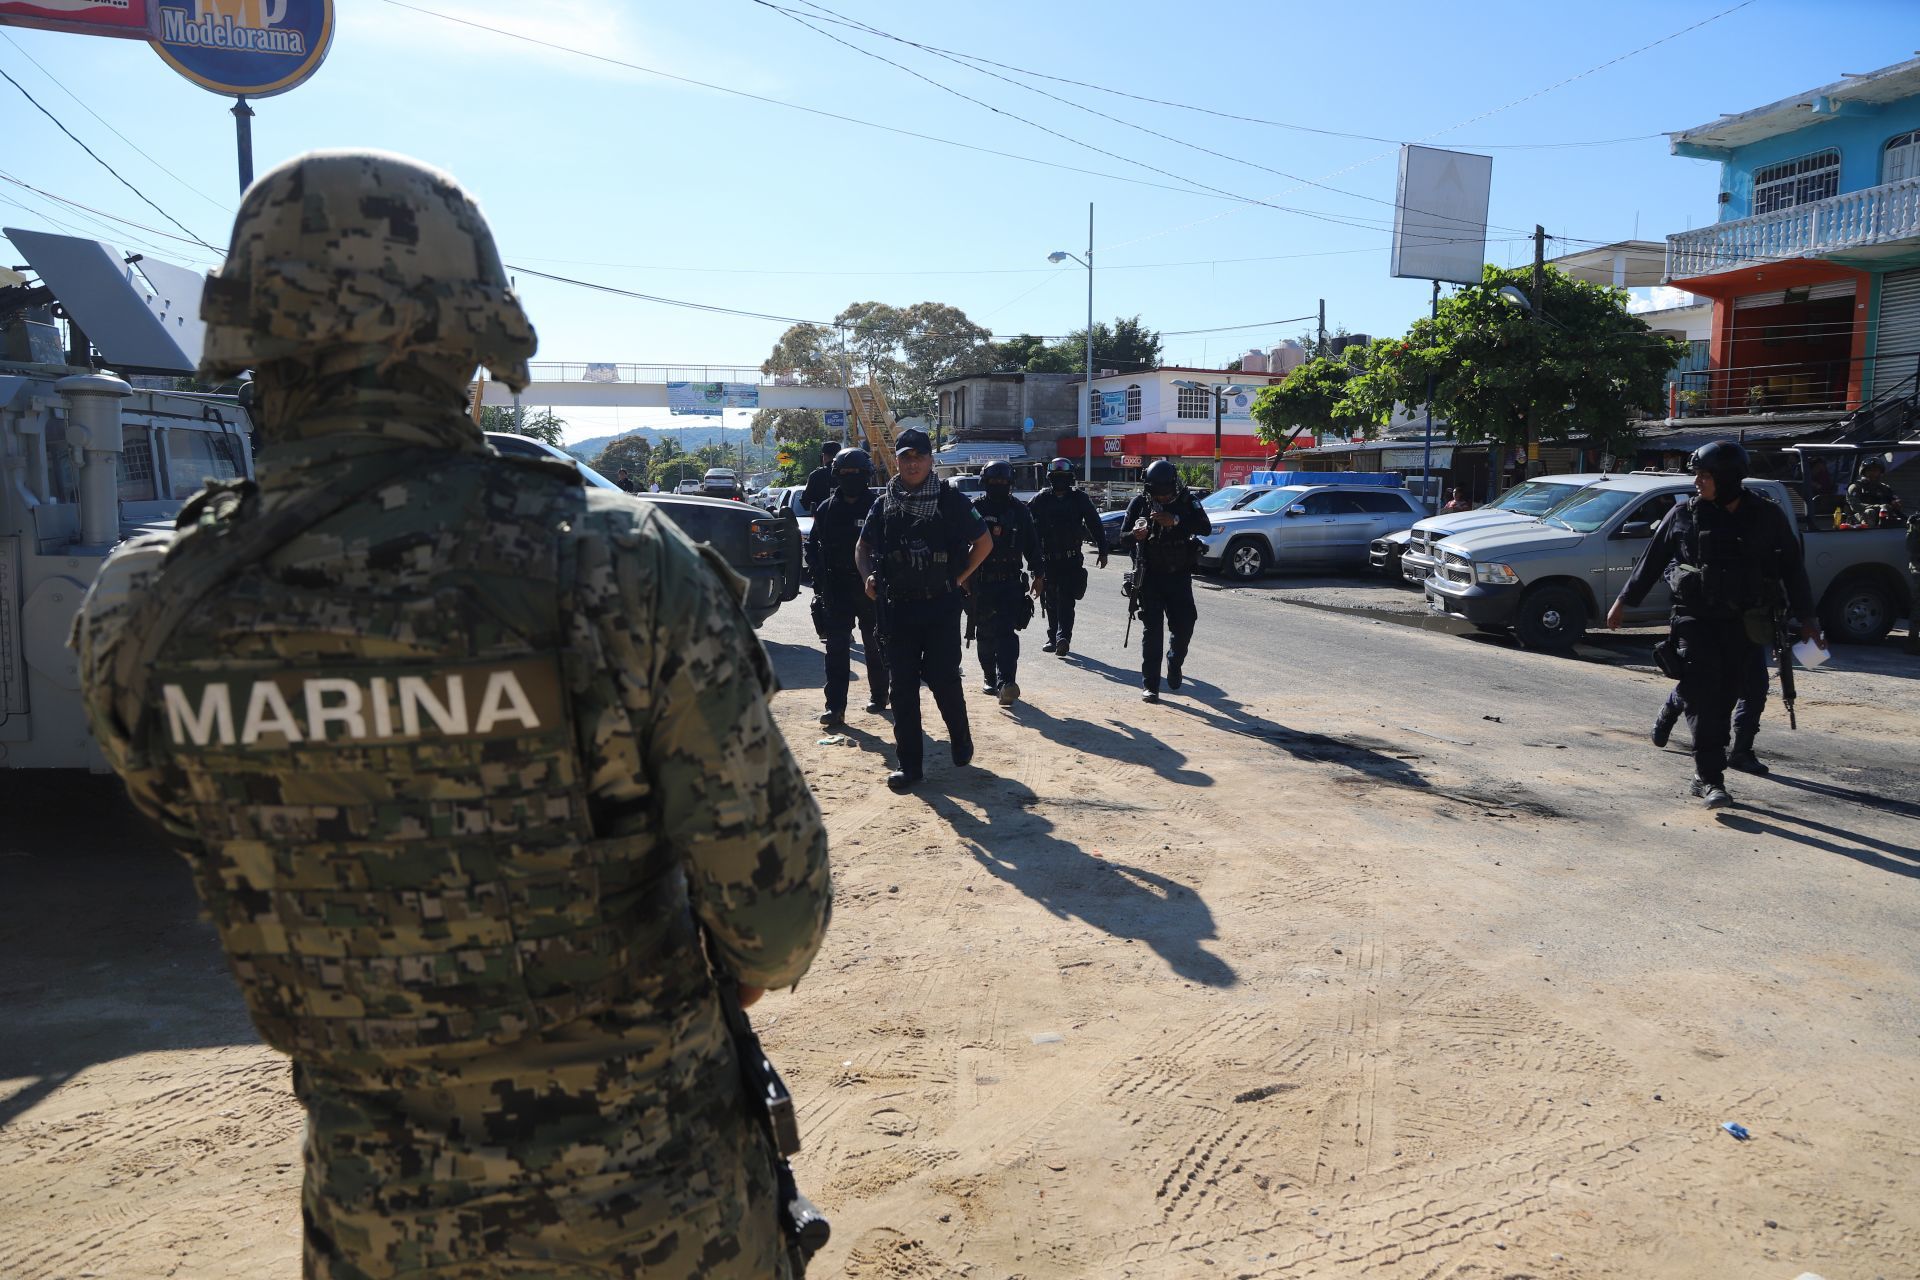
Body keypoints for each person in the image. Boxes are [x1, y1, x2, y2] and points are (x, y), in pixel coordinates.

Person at [72, 151, 832, 1280]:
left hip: (381, 1229)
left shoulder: (145, 607)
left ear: (250, 336)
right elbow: (776, 920)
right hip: (663, 1220)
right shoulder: (614, 564)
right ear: (469, 346)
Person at [1607, 439, 1819, 809]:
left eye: (1704, 476)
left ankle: (1676, 709)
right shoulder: (1684, 514)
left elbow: (1792, 569)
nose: (1697, 483)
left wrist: (1808, 618)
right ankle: (1709, 778)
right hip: (1695, 618)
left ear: (1728, 478)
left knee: (1730, 695)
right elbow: (1652, 560)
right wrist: (1624, 601)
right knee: (1705, 697)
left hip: (1744, 622)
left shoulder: (1766, 516)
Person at [856, 427, 992, 790]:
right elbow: (862, 547)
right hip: (897, 608)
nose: (912, 463)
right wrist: (869, 577)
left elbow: (983, 542)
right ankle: (910, 766)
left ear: (931, 460)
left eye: (918, 457)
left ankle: (960, 737)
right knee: (901, 687)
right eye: (905, 457)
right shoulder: (884, 501)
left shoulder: (951, 501)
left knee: (943, 679)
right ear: (896, 461)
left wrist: (959, 577)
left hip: (940, 607)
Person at [806, 446, 888, 725]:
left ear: (866, 475)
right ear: (836, 475)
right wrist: (820, 579)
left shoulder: (879, 506)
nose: (851, 477)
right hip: (836, 589)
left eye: (856, 473)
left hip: (870, 588)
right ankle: (835, 708)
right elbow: (813, 547)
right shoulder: (827, 509)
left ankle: (879, 695)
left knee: (875, 646)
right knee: (836, 650)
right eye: (845, 473)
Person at [1126, 460, 1212, 704]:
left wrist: (1175, 520)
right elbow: (1122, 538)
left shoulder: (1187, 501)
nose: (1162, 498)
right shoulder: (1140, 503)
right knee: (1152, 632)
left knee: (1185, 624)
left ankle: (1175, 661)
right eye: (1158, 494)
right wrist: (1135, 534)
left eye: (1166, 494)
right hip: (1150, 577)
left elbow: (1205, 527)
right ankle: (1150, 685)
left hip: (1179, 576)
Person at [967, 460, 1044, 707]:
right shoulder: (974, 509)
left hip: (1010, 583)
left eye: (1003, 482)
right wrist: (962, 577)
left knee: (1006, 634)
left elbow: (1032, 544)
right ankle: (990, 678)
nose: (999, 485)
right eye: (994, 482)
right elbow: (959, 543)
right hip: (981, 583)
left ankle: (1007, 683)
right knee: (985, 634)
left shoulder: (1020, 511)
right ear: (985, 483)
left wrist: (1039, 574)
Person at [1026, 456, 1107, 658]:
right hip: (1048, 559)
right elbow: (1025, 524)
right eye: (1056, 476)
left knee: (1067, 599)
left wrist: (1103, 549)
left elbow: (1094, 523)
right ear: (1050, 478)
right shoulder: (1040, 499)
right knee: (1051, 600)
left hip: (1071, 559)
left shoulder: (1079, 498)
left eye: (1063, 476)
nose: (1060, 480)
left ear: (1070, 478)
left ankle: (1063, 638)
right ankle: (1053, 637)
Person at [1650, 642, 1773, 773]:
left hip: (1750, 634)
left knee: (1756, 686)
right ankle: (1669, 710)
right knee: (1701, 685)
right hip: (1713, 630)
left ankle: (1742, 751)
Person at [1845, 457, 1905, 525]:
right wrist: (1879, 507)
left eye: (1876, 470)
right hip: (1858, 520)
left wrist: (1895, 504)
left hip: (1882, 517)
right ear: (1863, 472)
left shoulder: (1884, 488)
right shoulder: (1855, 487)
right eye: (1869, 470)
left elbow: (1894, 502)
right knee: (1870, 512)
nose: (1873, 473)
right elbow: (1855, 506)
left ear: (1880, 472)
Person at [801, 439, 841, 511]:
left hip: (823, 519)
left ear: (824, 456)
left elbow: (806, 503)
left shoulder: (816, 475)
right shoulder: (847, 473)